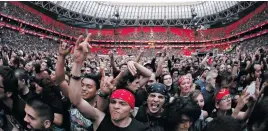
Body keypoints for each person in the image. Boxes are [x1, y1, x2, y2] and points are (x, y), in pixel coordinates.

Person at [68, 34, 148, 131]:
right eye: (113, 102)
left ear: (132, 108)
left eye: (122, 104)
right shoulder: (99, 118)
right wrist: (77, 63)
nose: (116, 106)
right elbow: (77, 101)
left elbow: (149, 75)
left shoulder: (141, 128)